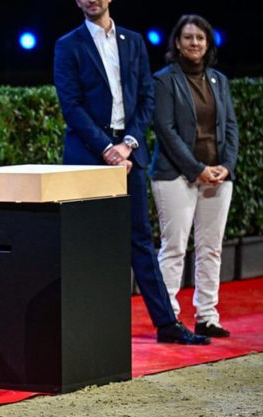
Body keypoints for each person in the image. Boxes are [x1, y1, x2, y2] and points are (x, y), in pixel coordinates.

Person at [53, 0, 209, 345]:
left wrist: (128, 144)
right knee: (86, 243)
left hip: (129, 154)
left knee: (139, 240)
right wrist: (106, 150)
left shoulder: (133, 41)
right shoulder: (68, 45)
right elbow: (72, 105)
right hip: (88, 157)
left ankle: (167, 324)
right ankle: (85, 331)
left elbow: (146, 98)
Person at [150, 15, 238, 338]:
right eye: (188, 38)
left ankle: (207, 315)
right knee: (174, 247)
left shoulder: (219, 80)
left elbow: (230, 127)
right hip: (176, 176)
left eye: (200, 38)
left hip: (217, 177)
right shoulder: (164, 80)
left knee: (211, 247)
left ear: (208, 43)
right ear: (177, 42)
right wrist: (197, 169)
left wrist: (225, 167)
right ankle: (168, 318)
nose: (194, 43)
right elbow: (166, 130)